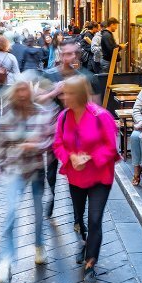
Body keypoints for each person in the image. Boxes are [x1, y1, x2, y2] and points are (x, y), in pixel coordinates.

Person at [0, 75, 56, 283]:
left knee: (37, 211)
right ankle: (5, 262)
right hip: (14, 169)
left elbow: (48, 140)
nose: (22, 94)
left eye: (26, 90)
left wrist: (33, 145)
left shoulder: (43, 112)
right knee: (9, 213)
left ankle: (39, 245)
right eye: (19, 90)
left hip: (35, 169)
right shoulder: (5, 112)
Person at [53, 74, 118, 283]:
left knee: (95, 218)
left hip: (100, 175)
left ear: (79, 95)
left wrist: (89, 158)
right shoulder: (63, 117)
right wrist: (70, 157)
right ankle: (84, 241)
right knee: (79, 216)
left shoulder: (101, 116)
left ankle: (90, 265)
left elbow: (111, 147)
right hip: (76, 175)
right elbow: (58, 144)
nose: (64, 97)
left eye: (69, 94)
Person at [41, 38, 102, 219]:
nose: (71, 57)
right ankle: (51, 199)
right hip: (54, 131)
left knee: (77, 172)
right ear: (60, 54)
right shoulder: (49, 76)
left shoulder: (87, 77)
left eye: (74, 53)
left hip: (78, 134)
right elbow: (38, 101)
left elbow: (96, 109)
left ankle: (78, 217)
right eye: (67, 53)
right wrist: (54, 92)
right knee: (51, 168)